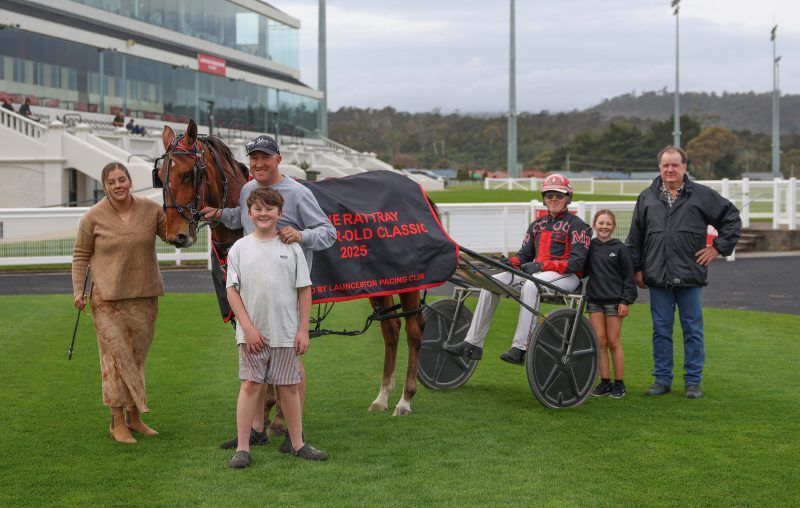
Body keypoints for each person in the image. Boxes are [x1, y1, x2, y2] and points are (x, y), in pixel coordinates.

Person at [201, 134, 336, 452]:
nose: (259, 163)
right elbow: (243, 219)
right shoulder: (248, 190)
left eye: (265, 157)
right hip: (253, 296)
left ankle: (293, 435)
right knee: (255, 361)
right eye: (254, 158)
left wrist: (301, 235)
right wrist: (219, 214)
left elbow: (328, 232)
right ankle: (257, 429)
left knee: (292, 367)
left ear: (278, 159)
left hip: (287, 294)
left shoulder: (298, 193)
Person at [626, 146, 741, 399]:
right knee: (661, 331)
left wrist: (717, 248)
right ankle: (662, 380)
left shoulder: (701, 195)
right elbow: (635, 237)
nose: (670, 169)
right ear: (659, 167)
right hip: (657, 276)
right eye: (665, 165)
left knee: (693, 331)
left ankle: (693, 382)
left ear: (684, 167)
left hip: (689, 276)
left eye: (675, 165)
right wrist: (636, 268)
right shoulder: (646, 197)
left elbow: (731, 218)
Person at [225, 188, 327, 468]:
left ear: (280, 214)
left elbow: (304, 290)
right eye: (257, 209)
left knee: (289, 387)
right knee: (250, 385)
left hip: (285, 333)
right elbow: (232, 291)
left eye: (270, 209)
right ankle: (243, 448)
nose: (264, 214)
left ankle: (298, 443)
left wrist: (302, 330)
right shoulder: (240, 248)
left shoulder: (291, 248)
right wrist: (248, 328)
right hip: (252, 335)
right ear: (249, 213)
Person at [445, 174, 592, 365]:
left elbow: (577, 263)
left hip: (567, 277)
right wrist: (510, 262)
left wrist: (541, 265)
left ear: (568, 198)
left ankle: (521, 347)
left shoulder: (578, 226)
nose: (554, 199)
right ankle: (472, 344)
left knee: (531, 285)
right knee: (491, 282)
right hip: (541, 274)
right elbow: (524, 256)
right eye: (549, 195)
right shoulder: (537, 225)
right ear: (544, 198)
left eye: (559, 195)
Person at [72, 162, 167, 444]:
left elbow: (174, 235)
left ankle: (134, 418)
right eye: (112, 182)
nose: (118, 185)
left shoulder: (151, 210)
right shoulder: (92, 217)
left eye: (122, 179)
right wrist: (78, 291)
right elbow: (80, 255)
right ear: (105, 186)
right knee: (114, 360)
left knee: (136, 359)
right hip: (107, 301)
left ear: (130, 181)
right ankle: (116, 422)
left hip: (144, 297)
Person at [586, 210, 637, 399]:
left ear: (614, 227)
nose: (604, 227)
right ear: (594, 224)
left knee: (613, 341)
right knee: (600, 341)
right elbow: (581, 269)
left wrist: (626, 301)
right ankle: (605, 382)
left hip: (615, 303)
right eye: (601, 223)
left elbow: (628, 277)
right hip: (594, 301)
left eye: (608, 223)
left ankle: (619, 384)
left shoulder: (621, 248)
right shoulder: (589, 247)